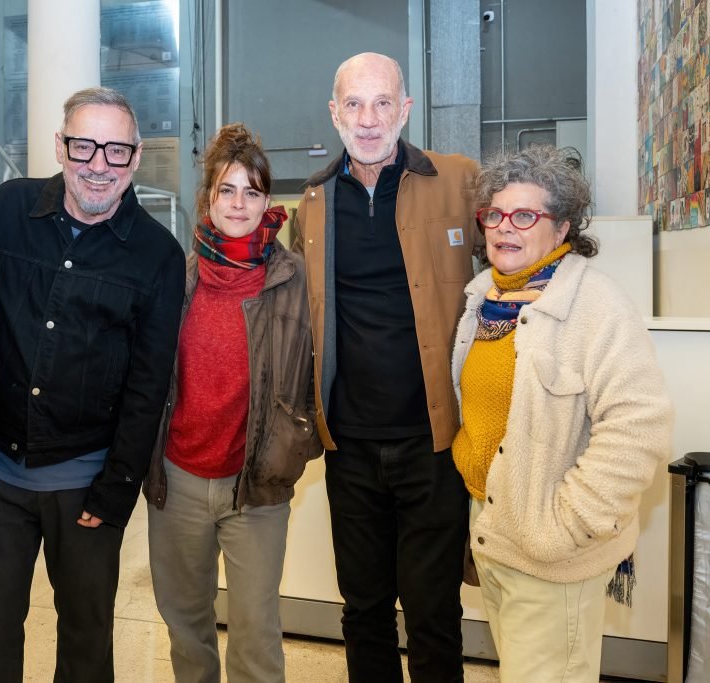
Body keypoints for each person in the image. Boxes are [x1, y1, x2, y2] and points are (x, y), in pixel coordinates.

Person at [0, 86, 186, 683]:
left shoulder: (158, 255)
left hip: (86, 484)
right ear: (60, 146)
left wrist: (116, 490)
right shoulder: (6, 210)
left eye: (116, 151)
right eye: (84, 145)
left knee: (86, 642)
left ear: (135, 159)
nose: (98, 164)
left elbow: (149, 382)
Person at [291, 52, 480, 682]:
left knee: (433, 613)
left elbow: (522, 249)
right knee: (364, 609)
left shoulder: (460, 182)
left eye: (382, 104)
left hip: (434, 445)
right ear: (333, 112)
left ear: (405, 108)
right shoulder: (312, 205)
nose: (368, 120)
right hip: (349, 447)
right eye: (354, 104)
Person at [451, 144, 672, 681]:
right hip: (495, 536)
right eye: (495, 215)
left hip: (552, 553)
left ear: (563, 226)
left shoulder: (593, 303)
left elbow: (639, 429)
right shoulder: (484, 298)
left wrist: (563, 526)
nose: (506, 228)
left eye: (526, 215)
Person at [144, 123, 321, 683]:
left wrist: (293, 449)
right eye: (227, 190)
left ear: (269, 201)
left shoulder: (294, 280)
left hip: (257, 489)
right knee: (186, 627)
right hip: (178, 483)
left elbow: (319, 375)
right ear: (208, 199)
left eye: (252, 191)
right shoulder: (177, 276)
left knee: (256, 637)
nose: (239, 203)